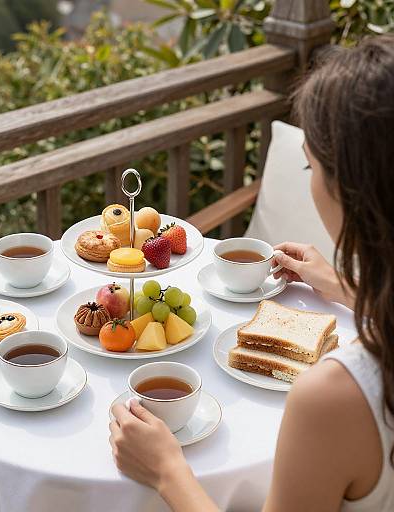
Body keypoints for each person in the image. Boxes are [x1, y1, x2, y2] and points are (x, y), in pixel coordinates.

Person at [109, 35, 394, 512]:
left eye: (311, 163)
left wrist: (167, 472)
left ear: (346, 187)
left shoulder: (336, 398)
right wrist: (348, 289)